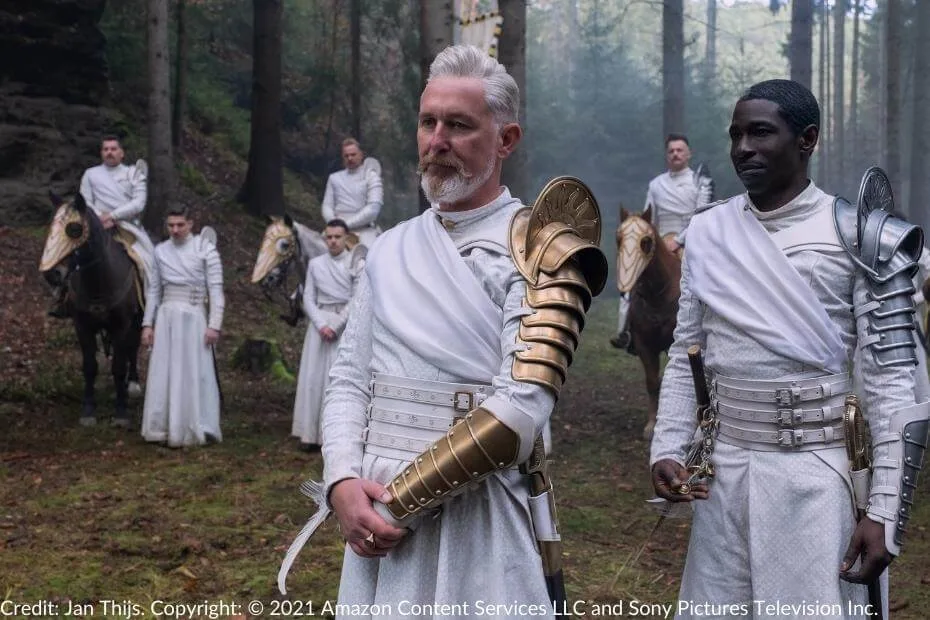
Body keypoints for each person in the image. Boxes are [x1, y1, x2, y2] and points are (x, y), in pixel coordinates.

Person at [277, 45, 607, 611]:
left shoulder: (543, 251)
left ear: (506, 140)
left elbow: (519, 414)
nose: (438, 142)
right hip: (371, 507)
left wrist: (394, 506)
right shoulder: (388, 249)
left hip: (475, 512)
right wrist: (341, 483)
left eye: (459, 125)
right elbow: (350, 380)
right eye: (428, 123)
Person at [650, 79, 930, 618]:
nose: (743, 148)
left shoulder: (860, 237)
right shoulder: (707, 233)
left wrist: (886, 512)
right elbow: (688, 354)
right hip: (722, 478)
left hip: (816, 478)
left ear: (807, 139)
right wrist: (668, 446)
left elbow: (891, 385)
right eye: (735, 135)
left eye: (760, 133)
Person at [611, 134, 712, 351]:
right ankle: (625, 331)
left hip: (690, 239)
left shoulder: (699, 183)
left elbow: (701, 216)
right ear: (667, 155)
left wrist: (678, 241)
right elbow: (650, 217)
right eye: (671, 151)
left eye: (679, 150)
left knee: (705, 276)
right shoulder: (656, 184)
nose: (675, 154)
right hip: (659, 240)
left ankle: (710, 329)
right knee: (633, 273)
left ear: (688, 153)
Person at [140, 206, 225, 447]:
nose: (175, 230)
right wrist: (148, 323)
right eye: (171, 226)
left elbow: (216, 291)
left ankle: (197, 423)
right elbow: (154, 289)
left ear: (191, 224)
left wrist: (214, 325)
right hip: (167, 316)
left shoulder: (205, 250)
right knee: (165, 370)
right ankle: (162, 426)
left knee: (194, 371)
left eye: (180, 225)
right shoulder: (160, 251)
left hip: (194, 317)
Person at [291, 219, 361, 452]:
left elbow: (357, 298)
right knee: (313, 379)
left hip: (343, 327)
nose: (332, 241)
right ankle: (310, 434)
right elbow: (308, 297)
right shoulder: (316, 264)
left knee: (337, 380)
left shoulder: (356, 263)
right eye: (329, 237)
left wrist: (337, 324)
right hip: (319, 327)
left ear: (346, 238)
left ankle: (334, 436)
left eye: (337, 237)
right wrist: (321, 324)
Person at [321, 138, 383, 247]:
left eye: (353, 154)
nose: (350, 158)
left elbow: (373, 208)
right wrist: (334, 224)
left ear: (361, 155)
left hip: (364, 232)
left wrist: (345, 225)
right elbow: (327, 205)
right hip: (335, 231)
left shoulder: (372, 177)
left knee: (370, 258)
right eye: (346, 155)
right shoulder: (334, 178)